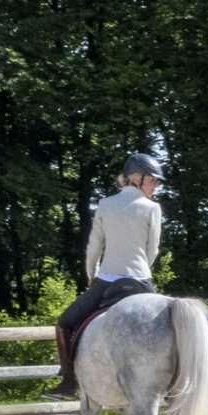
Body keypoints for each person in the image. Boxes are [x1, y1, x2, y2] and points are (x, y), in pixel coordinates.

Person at [48, 153, 165, 400]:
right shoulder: (153, 208)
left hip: (107, 280)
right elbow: (152, 250)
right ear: (137, 178)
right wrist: (142, 270)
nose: (156, 185)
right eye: (154, 180)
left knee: (64, 324)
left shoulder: (105, 204)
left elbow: (94, 246)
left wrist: (91, 274)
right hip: (141, 281)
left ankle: (68, 382)